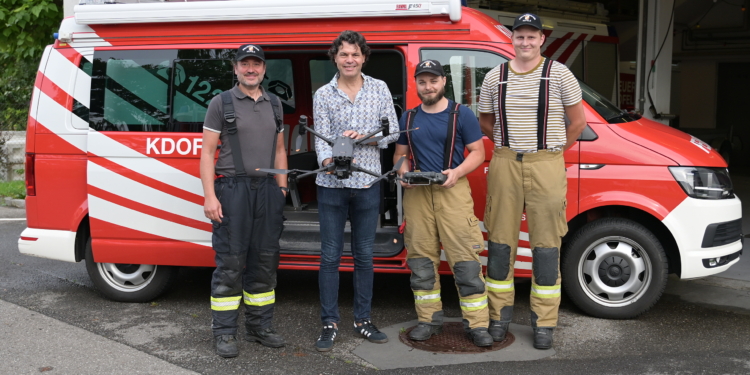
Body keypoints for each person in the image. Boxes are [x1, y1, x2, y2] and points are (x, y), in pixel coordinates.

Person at [478, 13, 586, 350]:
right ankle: (499, 319)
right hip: (505, 162)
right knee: (499, 245)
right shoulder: (494, 77)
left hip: (546, 165)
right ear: (512, 39)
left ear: (542, 39)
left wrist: (552, 152)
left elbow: (578, 122)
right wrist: (509, 145)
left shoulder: (560, 74)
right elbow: (485, 121)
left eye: (531, 36)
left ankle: (544, 323)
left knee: (546, 246)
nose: (525, 42)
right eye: (520, 36)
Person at [312, 30, 399, 352]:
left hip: (367, 184)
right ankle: (329, 323)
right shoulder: (323, 94)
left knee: (364, 256)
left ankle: (363, 320)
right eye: (344, 54)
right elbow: (320, 136)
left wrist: (364, 138)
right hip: (331, 185)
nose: (350, 59)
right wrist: (328, 159)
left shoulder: (379, 89)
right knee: (330, 257)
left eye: (355, 54)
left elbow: (392, 133)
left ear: (364, 58)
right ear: (335, 57)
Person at [395, 59, 492, 347]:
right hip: (418, 197)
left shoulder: (462, 114)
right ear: (417, 84)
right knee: (422, 264)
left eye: (433, 81)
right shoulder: (409, 117)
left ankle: (477, 326)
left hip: (453, 193)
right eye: (422, 82)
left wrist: (457, 172)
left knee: (466, 264)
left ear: (443, 82)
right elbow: (400, 155)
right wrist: (403, 173)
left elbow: (477, 152)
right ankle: (428, 321)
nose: (428, 86)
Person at [200, 44, 289, 358]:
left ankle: (259, 328)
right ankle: (224, 333)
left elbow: (280, 150)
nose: (251, 69)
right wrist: (210, 197)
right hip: (232, 190)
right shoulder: (220, 103)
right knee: (231, 263)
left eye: (257, 64)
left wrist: (282, 188)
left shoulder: (275, 104)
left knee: (264, 262)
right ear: (235, 68)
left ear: (264, 69)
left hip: (267, 191)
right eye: (245, 64)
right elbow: (208, 153)